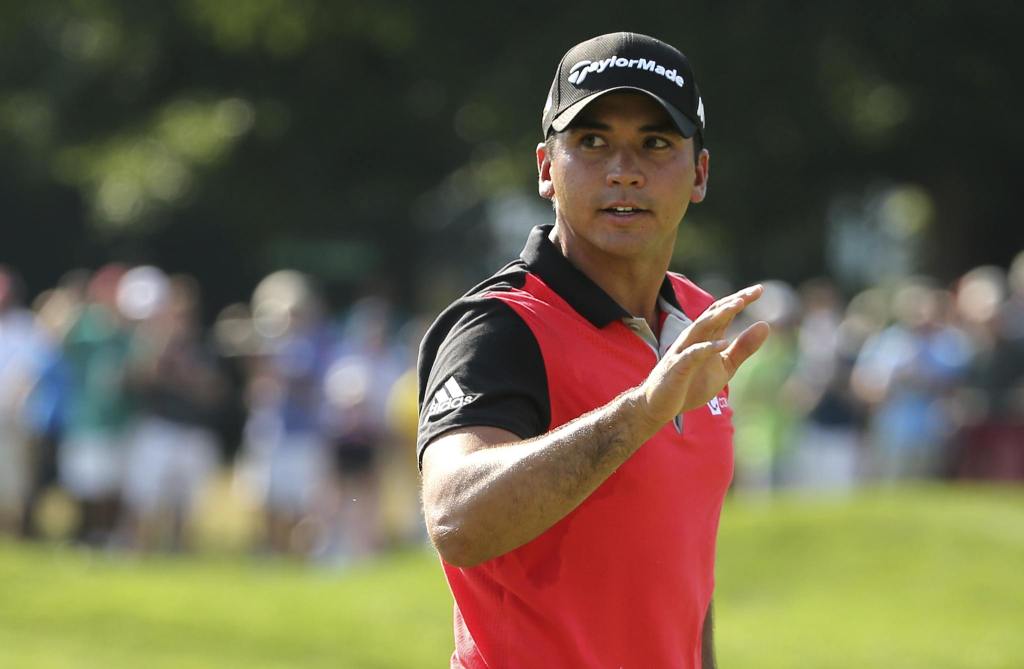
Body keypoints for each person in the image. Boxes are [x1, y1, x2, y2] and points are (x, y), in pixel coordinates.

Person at [417, 32, 770, 668]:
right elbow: (456, 521)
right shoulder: (500, 327)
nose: (623, 169)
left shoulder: (695, 316)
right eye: (592, 141)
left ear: (700, 173)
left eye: (656, 143)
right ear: (547, 169)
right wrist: (641, 412)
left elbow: (681, 573)